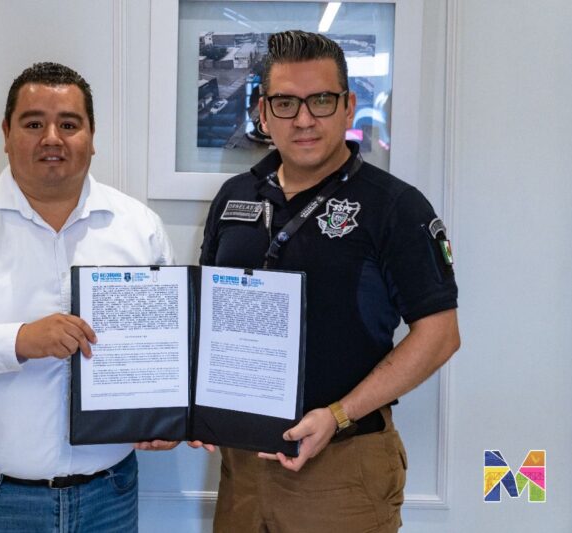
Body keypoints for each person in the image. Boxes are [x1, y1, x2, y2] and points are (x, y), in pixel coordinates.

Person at [0, 62, 176, 532]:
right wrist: (18, 341)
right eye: (34, 123)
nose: (52, 138)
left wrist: (165, 418)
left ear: (92, 136)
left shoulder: (139, 228)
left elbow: (166, 349)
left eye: (69, 124)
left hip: (110, 495)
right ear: (6, 134)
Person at [196, 31, 460, 532]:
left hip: (341, 466)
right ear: (263, 112)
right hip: (243, 466)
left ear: (347, 106)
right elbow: (206, 313)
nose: (303, 119)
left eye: (320, 100)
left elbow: (440, 335)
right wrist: (188, 408)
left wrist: (338, 414)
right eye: (285, 103)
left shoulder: (394, 206)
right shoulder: (234, 197)